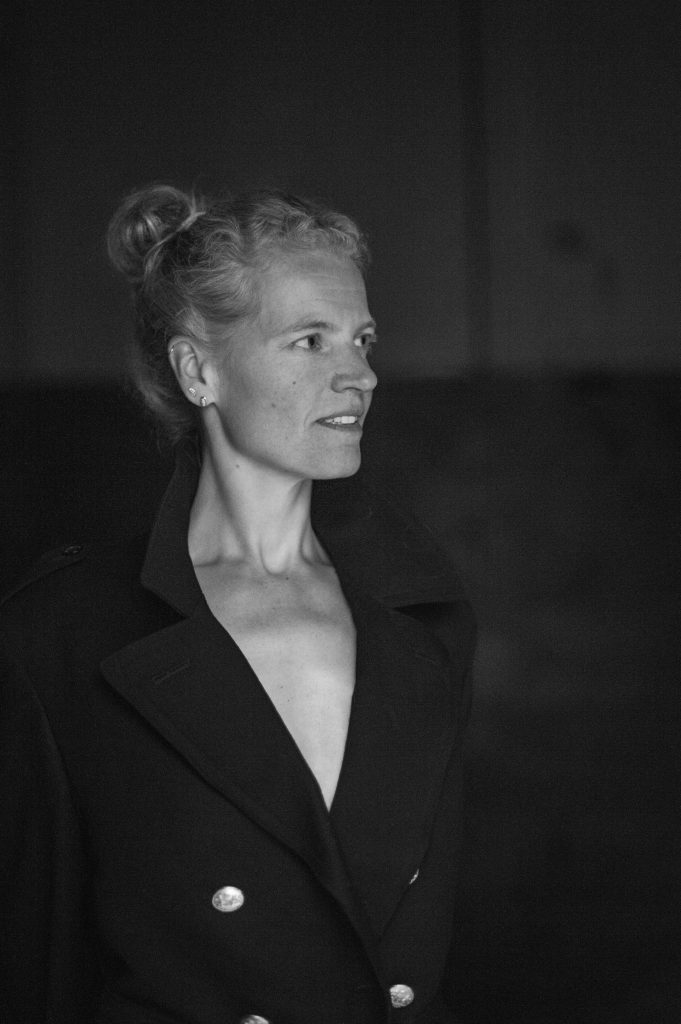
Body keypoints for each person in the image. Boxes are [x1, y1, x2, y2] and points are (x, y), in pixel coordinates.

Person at [0, 185, 476, 1023]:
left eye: (362, 340)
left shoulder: (423, 617)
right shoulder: (63, 636)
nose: (359, 374)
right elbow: (34, 963)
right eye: (309, 340)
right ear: (199, 370)